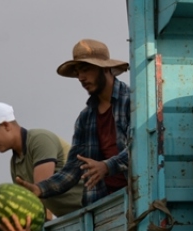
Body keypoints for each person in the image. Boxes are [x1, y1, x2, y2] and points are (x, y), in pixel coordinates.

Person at [16, 38, 132, 207]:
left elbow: (141, 150)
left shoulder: (133, 103)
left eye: (86, 69)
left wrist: (106, 166)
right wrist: (40, 189)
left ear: (106, 68)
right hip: (102, 205)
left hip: (136, 198)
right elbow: (72, 170)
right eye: (78, 72)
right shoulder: (85, 118)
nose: (81, 77)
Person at [0, 101, 85, 217]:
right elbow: (27, 206)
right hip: (74, 218)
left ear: (6, 125)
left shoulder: (39, 139)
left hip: (95, 207)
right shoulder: (15, 163)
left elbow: (38, 195)